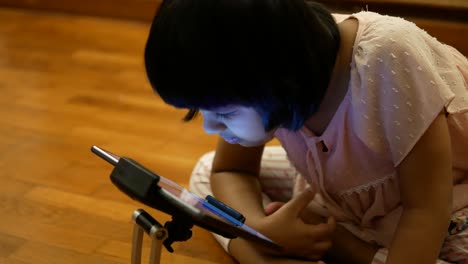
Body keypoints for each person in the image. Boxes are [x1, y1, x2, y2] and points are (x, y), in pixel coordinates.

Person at [144, 0, 468, 263]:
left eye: (224, 112)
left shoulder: (388, 58)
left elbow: (426, 209)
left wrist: (337, 245)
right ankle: (278, 248)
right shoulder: (281, 66)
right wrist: (260, 228)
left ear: (276, 79)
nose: (209, 125)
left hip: (444, 201)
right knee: (206, 178)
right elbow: (231, 169)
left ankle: (337, 246)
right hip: (347, 195)